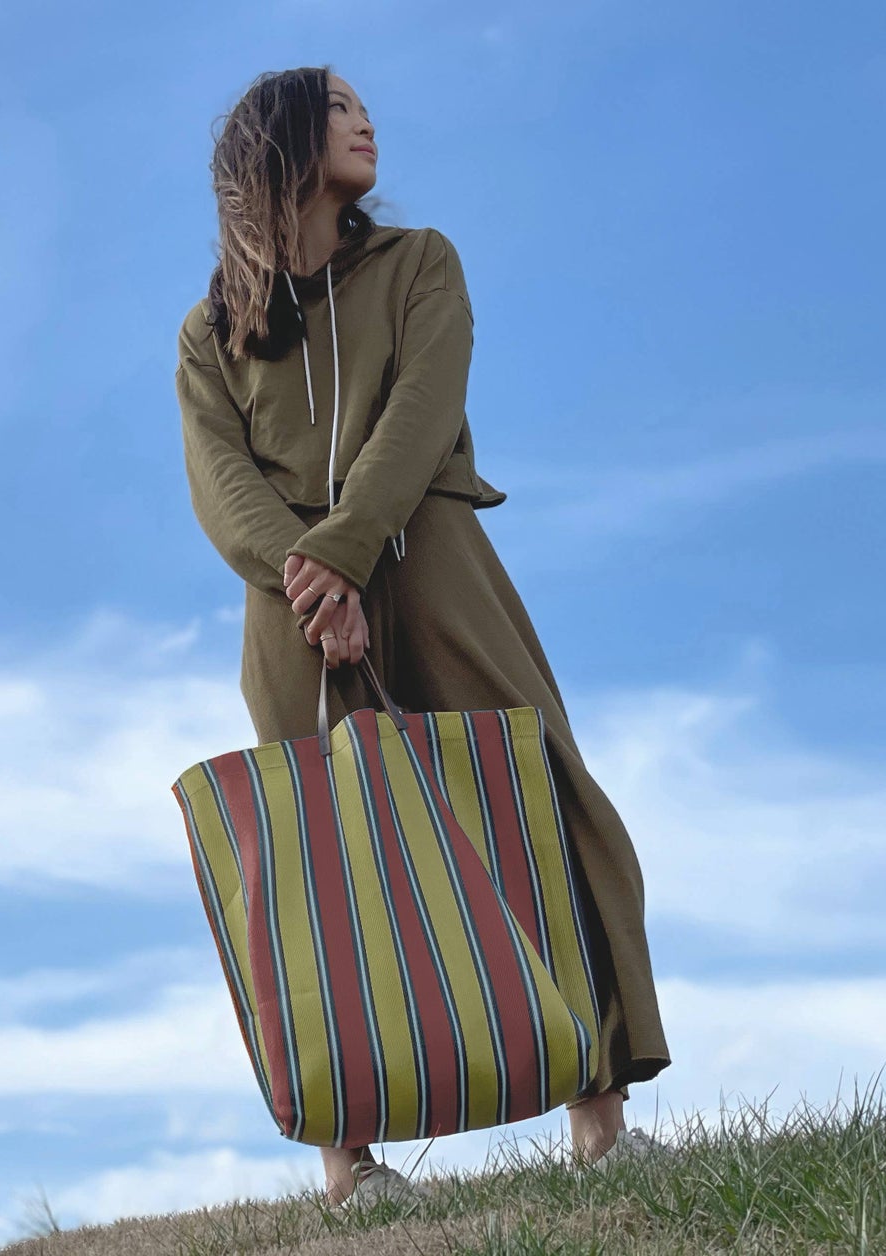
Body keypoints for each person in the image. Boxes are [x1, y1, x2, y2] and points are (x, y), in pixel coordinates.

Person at [173, 64, 672, 1208]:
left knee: (530, 795)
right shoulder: (210, 330)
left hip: (430, 557)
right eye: (340, 108)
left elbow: (423, 410)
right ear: (284, 141)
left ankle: (597, 1115)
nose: (366, 121)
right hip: (289, 605)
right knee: (325, 850)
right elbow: (219, 481)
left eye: (363, 107)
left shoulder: (419, 262)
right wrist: (308, 579)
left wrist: (343, 548)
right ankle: (349, 1163)